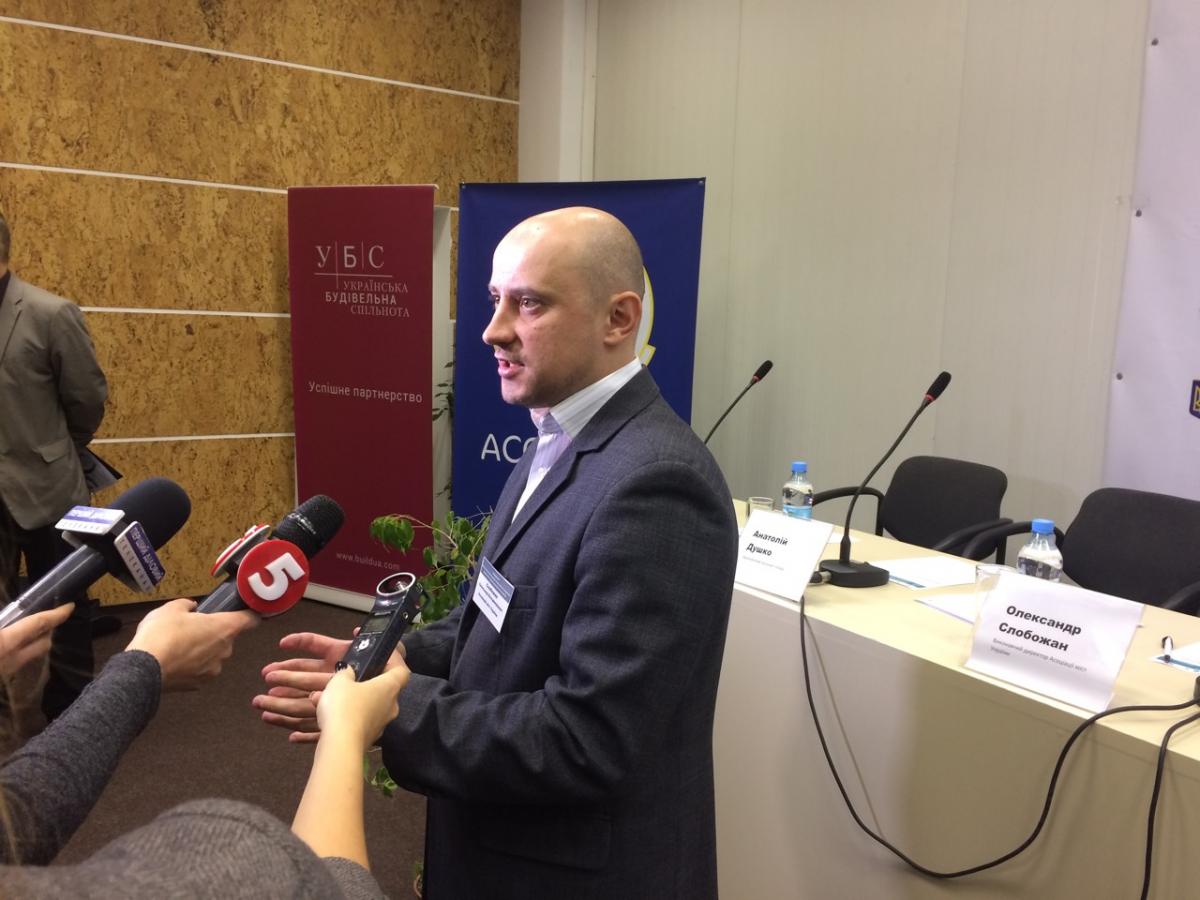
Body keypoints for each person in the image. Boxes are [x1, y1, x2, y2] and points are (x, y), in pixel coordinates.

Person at [256, 207, 739, 899]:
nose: (492, 330)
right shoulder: (557, 436)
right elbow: (502, 613)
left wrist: (391, 708)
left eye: (530, 303)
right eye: (494, 300)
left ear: (619, 319)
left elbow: (589, 739)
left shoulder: (657, 484)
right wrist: (389, 659)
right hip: (505, 845)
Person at [0, 592, 406, 898]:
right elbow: (325, 886)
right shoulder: (217, 858)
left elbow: (12, 822)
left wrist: (142, 667)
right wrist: (345, 732)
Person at [0, 210, 109, 720]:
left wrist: (57, 449)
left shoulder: (50, 313)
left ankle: (72, 710)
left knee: (65, 601)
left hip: (47, 485)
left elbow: (86, 399)